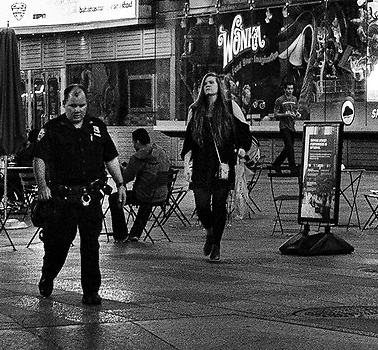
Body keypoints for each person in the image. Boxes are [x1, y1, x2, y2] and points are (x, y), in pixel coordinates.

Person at [24, 83, 123, 303]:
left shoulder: (97, 127)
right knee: (58, 244)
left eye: (81, 105)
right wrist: (42, 187)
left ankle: (91, 291)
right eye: (72, 106)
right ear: (64, 105)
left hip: (91, 197)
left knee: (91, 245)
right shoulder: (52, 129)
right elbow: (39, 159)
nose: (77, 110)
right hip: (63, 198)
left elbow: (111, 158)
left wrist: (121, 183)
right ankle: (48, 276)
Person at [182, 71, 255, 261]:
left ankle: (216, 244)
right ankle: (210, 230)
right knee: (202, 205)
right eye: (205, 83)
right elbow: (189, 140)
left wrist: (242, 149)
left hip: (223, 163)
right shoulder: (195, 109)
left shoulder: (231, 107)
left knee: (220, 204)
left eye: (212, 82)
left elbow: (245, 132)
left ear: (219, 86)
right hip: (201, 164)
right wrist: (186, 164)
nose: (208, 85)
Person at [120, 127, 174, 245]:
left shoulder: (138, 157)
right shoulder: (162, 152)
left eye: (133, 142)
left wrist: (122, 169)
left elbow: (126, 178)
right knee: (148, 195)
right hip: (162, 195)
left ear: (137, 142)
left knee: (115, 198)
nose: (133, 145)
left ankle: (120, 233)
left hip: (144, 195)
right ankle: (135, 234)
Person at [269, 86, 302, 175]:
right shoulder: (279, 100)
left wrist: (297, 114)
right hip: (284, 127)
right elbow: (275, 114)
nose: (290, 90)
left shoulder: (294, 99)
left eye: (291, 89)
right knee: (290, 148)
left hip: (292, 126)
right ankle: (293, 168)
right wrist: (284, 114)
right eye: (288, 89)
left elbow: (295, 111)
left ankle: (276, 164)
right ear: (285, 89)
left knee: (288, 148)